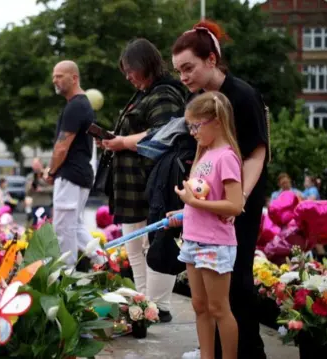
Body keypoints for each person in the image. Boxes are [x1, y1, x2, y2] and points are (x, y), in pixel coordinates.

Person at [172, 20, 269, 359]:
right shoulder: (198, 101)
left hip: (238, 199)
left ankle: (249, 352)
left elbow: (258, 152)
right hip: (207, 204)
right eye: (179, 71)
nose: (184, 77)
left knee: (238, 280)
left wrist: (238, 197)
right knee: (207, 296)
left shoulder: (242, 95)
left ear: (211, 60)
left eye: (189, 68)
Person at [100, 38, 188, 322]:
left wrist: (123, 142)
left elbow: (167, 133)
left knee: (155, 243)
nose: (127, 76)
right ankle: (142, 305)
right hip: (129, 183)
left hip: (151, 182)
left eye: (130, 69)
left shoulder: (164, 94)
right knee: (133, 246)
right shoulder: (142, 94)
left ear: (144, 64)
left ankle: (159, 307)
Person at [168, 91, 242, 359]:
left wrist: (194, 204)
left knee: (219, 308)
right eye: (190, 126)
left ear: (218, 121)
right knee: (200, 306)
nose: (193, 132)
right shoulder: (205, 155)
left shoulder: (226, 157)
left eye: (197, 125)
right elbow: (206, 199)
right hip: (193, 239)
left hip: (214, 243)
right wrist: (184, 210)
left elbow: (235, 205)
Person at [43, 60, 98, 267]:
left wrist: (51, 171)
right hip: (78, 175)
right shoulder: (80, 104)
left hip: (70, 175)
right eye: (53, 76)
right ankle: (103, 260)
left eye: (59, 76)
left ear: (74, 78)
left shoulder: (76, 106)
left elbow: (62, 146)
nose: (54, 80)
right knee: (74, 226)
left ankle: (66, 276)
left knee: (64, 228)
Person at [25, 157, 53, 224]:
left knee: (45, 226)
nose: (35, 167)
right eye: (34, 165)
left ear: (41, 164)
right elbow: (27, 193)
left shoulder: (47, 175)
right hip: (35, 205)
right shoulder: (30, 177)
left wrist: (42, 189)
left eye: (36, 164)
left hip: (46, 205)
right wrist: (31, 187)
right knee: (35, 227)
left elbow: (53, 188)